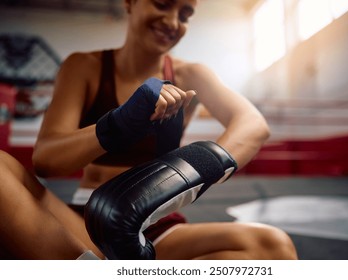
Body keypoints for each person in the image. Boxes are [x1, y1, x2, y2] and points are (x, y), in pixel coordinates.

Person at [1, 0, 297, 259]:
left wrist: (185, 173)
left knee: (273, 247)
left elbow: (253, 124)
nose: (172, 22)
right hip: (80, 219)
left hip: (153, 225)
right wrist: (116, 125)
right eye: (162, 3)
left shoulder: (188, 74)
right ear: (130, 2)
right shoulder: (85, 66)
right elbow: (46, 160)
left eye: (185, 14)